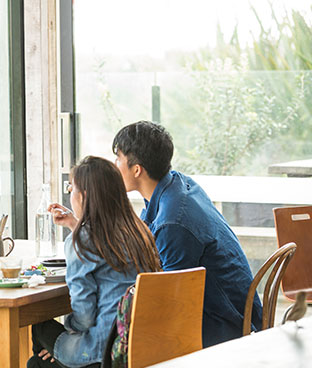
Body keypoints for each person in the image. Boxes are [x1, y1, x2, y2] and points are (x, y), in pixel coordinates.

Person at [112, 120, 263, 347]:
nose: (115, 166)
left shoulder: (173, 222)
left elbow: (172, 302)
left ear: (136, 169)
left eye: (118, 159)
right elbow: (143, 238)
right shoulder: (178, 184)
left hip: (223, 326)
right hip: (236, 311)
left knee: (113, 330)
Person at [27, 156, 160, 368]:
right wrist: (74, 224)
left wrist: (67, 334)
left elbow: (85, 317)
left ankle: (57, 356)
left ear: (84, 196)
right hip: (142, 346)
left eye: (72, 189)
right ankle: (54, 355)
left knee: (38, 328)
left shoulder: (82, 240)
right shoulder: (139, 231)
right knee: (37, 364)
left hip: (102, 353)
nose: (70, 195)